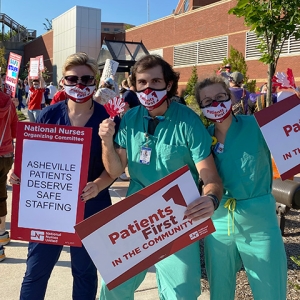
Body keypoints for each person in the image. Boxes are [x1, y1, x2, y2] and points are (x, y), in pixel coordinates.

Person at [98, 54, 223, 300]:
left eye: (155, 81)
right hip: (136, 213)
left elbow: (209, 175)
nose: (148, 88)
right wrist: (106, 142)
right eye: (142, 83)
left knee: (183, 290)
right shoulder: (130, 119)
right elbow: (115, 170)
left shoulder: (188, 121)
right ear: (133, 86)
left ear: (168, 84)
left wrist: (211, 198)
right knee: (114, 286)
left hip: (177, 214)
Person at [9, 52, 120, 300]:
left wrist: (99, 185)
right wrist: (15, 171)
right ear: (63, 82)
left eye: (86, 78)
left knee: (85, 273)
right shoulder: (49, 114)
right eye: (72, 79)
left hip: (92, 203)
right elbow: (31, 155)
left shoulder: (108, 118)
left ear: (95, 81)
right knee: (36, 269)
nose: (79, 84)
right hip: (50, 205)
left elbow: (115, 168)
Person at [195, 75, 287, 300]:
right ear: (201, 107)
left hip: (260, 222)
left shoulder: (257, 126)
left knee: (270, 288)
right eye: (207, 101)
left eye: (220, 97)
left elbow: (291, 135)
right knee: (220, 288)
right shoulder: (203, 139)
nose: (215, 104)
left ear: (230, 97)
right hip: (219, 222)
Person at [0, 91, 18, 261]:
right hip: (5, 155)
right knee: (1, 195)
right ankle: (2, 234)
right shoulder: (9, 103)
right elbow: (15, 131)